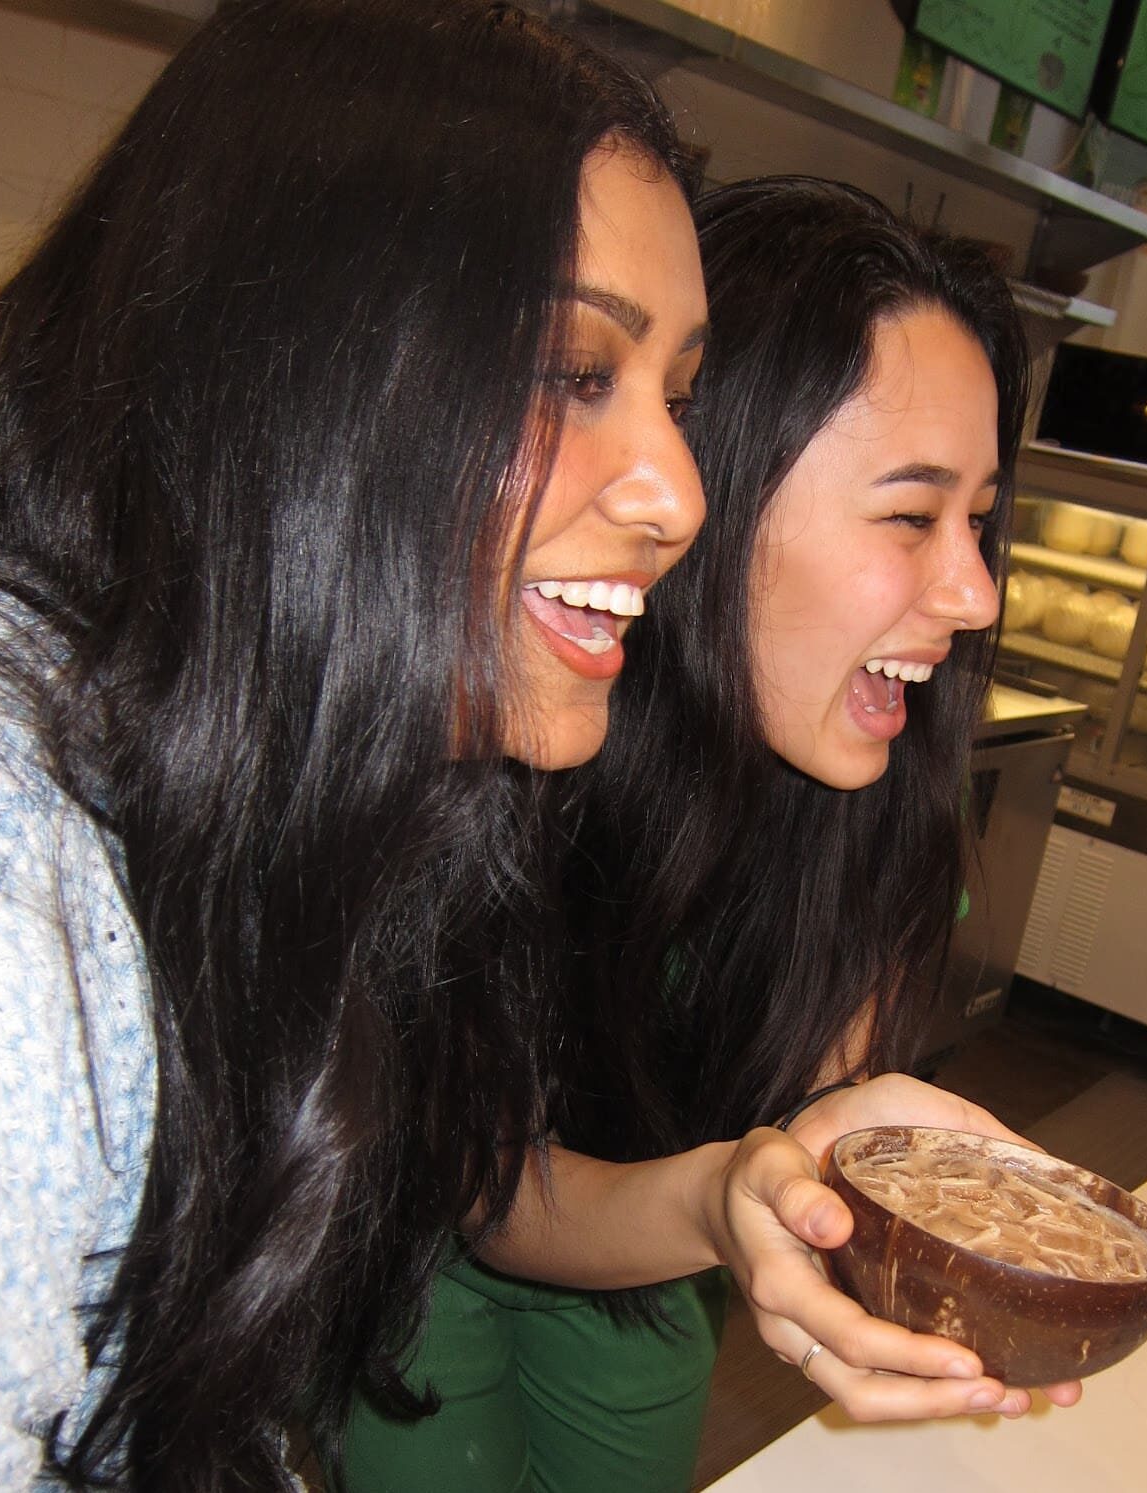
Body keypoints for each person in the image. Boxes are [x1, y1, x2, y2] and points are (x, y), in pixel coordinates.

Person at [0, 0, 715, 1484]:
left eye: (677, 396)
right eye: (569, 371)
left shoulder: (234, 783)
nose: (679, 492)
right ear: (301, 360)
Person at [342, 177, 1081, 1493]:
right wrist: (726, 1197)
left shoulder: (871, 796)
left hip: (661, 1241)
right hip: (416, 1229)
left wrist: (833, 1179)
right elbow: (488, 1193)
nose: (974, 592)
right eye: (910, 515)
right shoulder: (500, 746)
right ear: (717, 501)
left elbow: (798, 1126)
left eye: (978, 520)